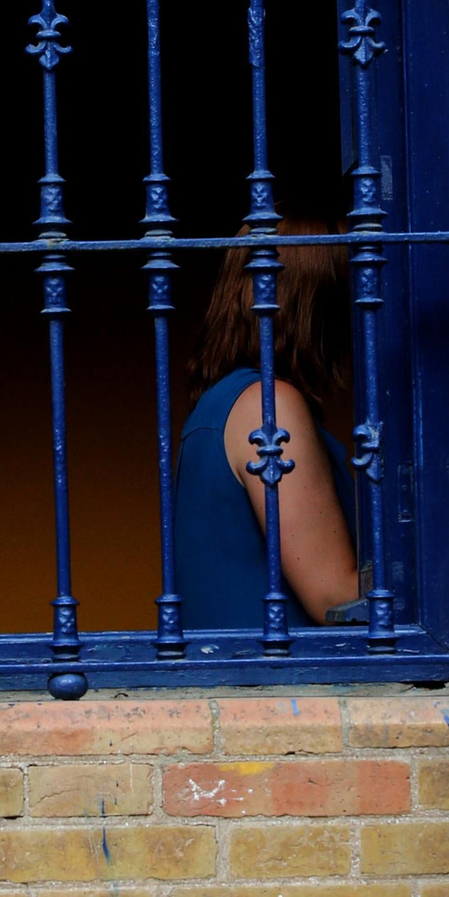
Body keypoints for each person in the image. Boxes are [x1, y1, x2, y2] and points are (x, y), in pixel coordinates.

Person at [174, 222, 361, 630]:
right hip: (281, 684)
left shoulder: (219, 406)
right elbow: (335, 596)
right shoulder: (268, 406)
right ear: (319, 310)